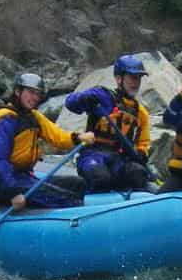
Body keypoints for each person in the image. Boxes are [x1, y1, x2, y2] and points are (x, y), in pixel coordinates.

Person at [0, 73, 96, 210]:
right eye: (31, 92)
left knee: (78, 184)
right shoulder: (5, 119)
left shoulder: (34, 116)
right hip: (6, 185)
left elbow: (58, 137)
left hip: (25, 178)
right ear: (18, 92)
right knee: (67, 199)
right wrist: (13, 193)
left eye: (38, 94)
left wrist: (78, 138)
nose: (35, 98)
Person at [64, 54, 151, 192]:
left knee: (138, 173)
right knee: (100, 177)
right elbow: (70, 103)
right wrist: (84, 99)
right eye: (132, 77)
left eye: (139, 78)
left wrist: (141, 153)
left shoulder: (140, 112)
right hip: (93, 154)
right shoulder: (102, 95)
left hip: (118, 159)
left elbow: (143, 143)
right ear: (119, 78)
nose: (136, 82)